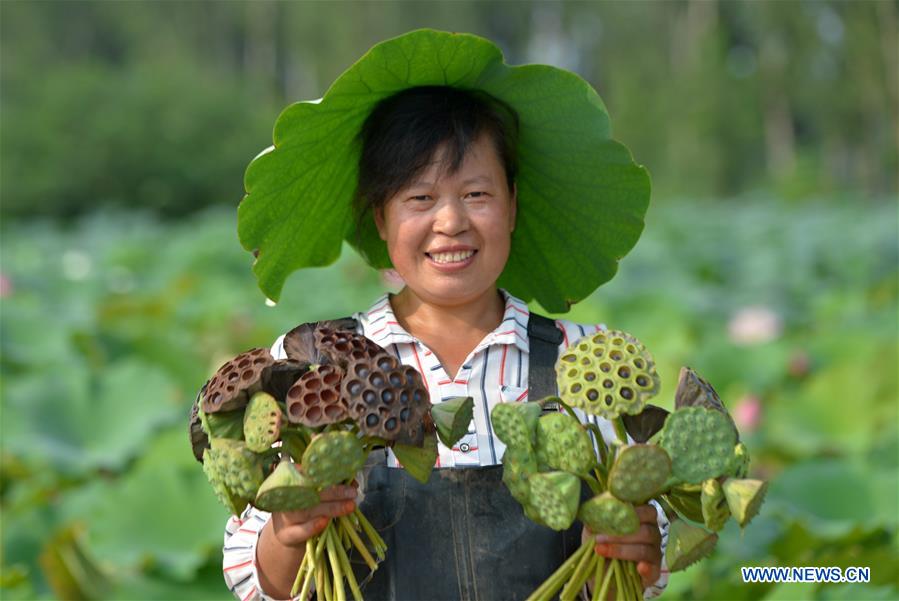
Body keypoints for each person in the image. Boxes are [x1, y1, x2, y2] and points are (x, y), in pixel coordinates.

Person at [221, 30, 666, 601]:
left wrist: (639, 552)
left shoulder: (588, 367)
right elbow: (255, 582)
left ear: (513, 205)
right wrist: (288, 532)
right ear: (379, 219)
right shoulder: (309, 370)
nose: (451, 222)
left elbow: (638, 574)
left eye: (477, 195)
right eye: (419, 199)